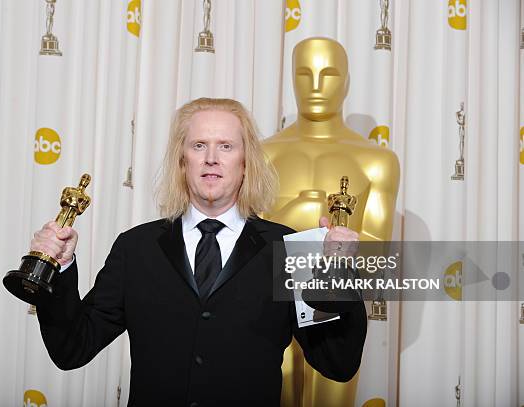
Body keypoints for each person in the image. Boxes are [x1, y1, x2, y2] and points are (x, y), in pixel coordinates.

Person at [33, 97, 366, 406]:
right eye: (199, 145)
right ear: (182, 160)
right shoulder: (136, 248)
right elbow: (72, 348)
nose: (211, 158)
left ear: (246, 161)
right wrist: (59, 269)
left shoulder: (289, 250)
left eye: (225, 146)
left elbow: (337, 363)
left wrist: (342, 274)